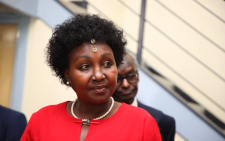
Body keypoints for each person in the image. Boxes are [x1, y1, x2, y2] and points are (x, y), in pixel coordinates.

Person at [20, 14, 162, 141]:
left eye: (107, 63)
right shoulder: (41, 121)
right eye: (84, 66)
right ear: (67, 74)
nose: (99, 75)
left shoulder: (142, 123)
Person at [113, 52, 176, 141]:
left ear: (138, 76)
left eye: (131, 76)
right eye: (118, 78)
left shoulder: (162, 122)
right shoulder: (95, 118)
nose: (125, 84)